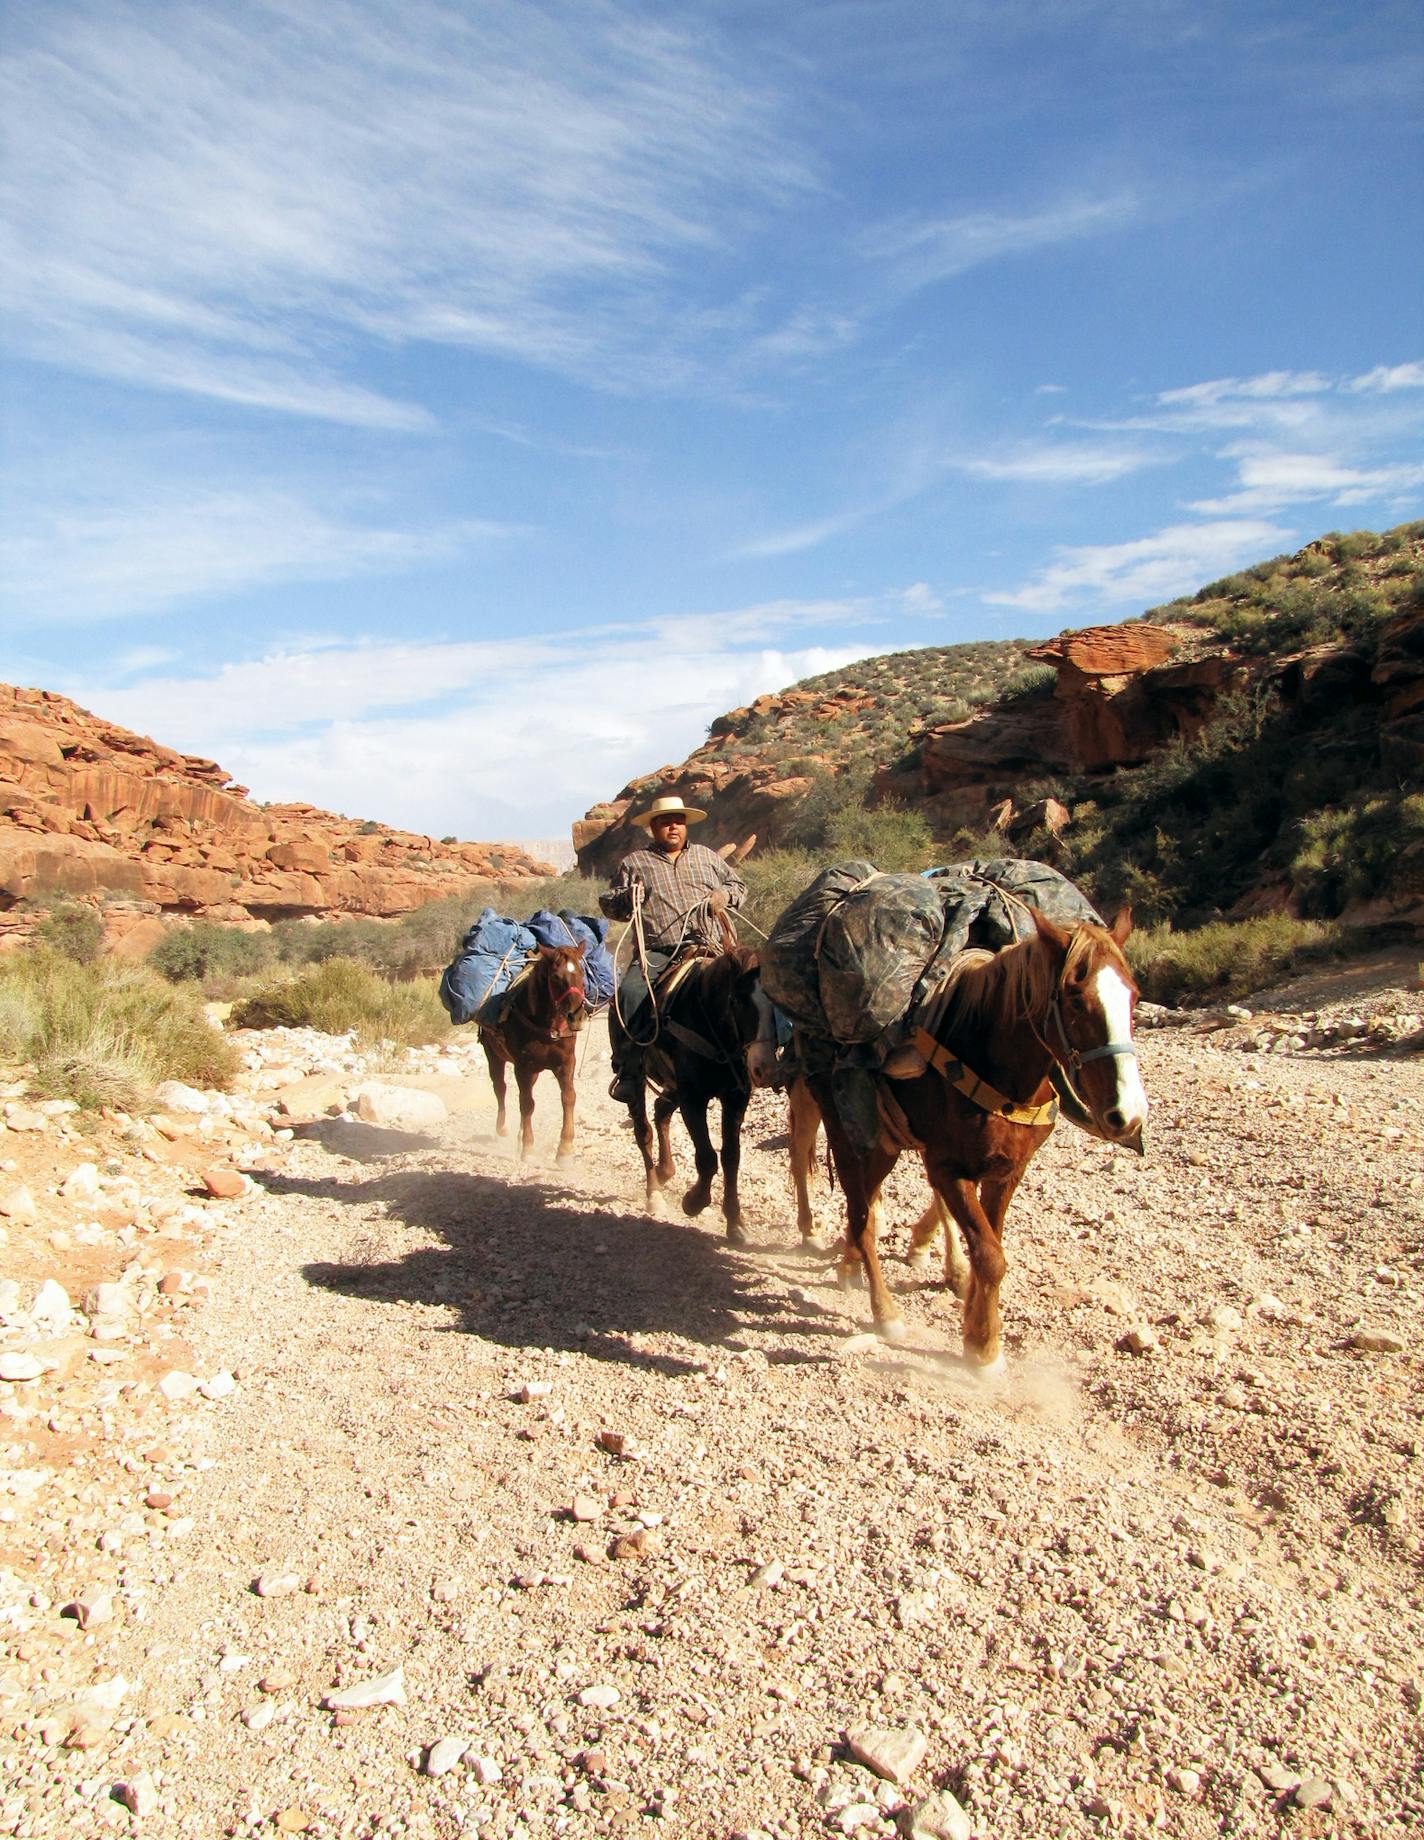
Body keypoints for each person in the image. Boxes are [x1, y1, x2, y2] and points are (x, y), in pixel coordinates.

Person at [599, 794, 748, 1102]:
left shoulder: (707, 857)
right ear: (652, 828)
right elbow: (610, 904)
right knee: (628, 994)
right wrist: (627, 898)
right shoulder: (634, 863)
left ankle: (767, 1059)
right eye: (665, 822)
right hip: (659, 951)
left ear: (686, 826)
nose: (673, 827)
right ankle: (629, 1070)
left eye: (678, 822)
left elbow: (739, 887)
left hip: (708, 946)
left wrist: (724, 896)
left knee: (751, 984)